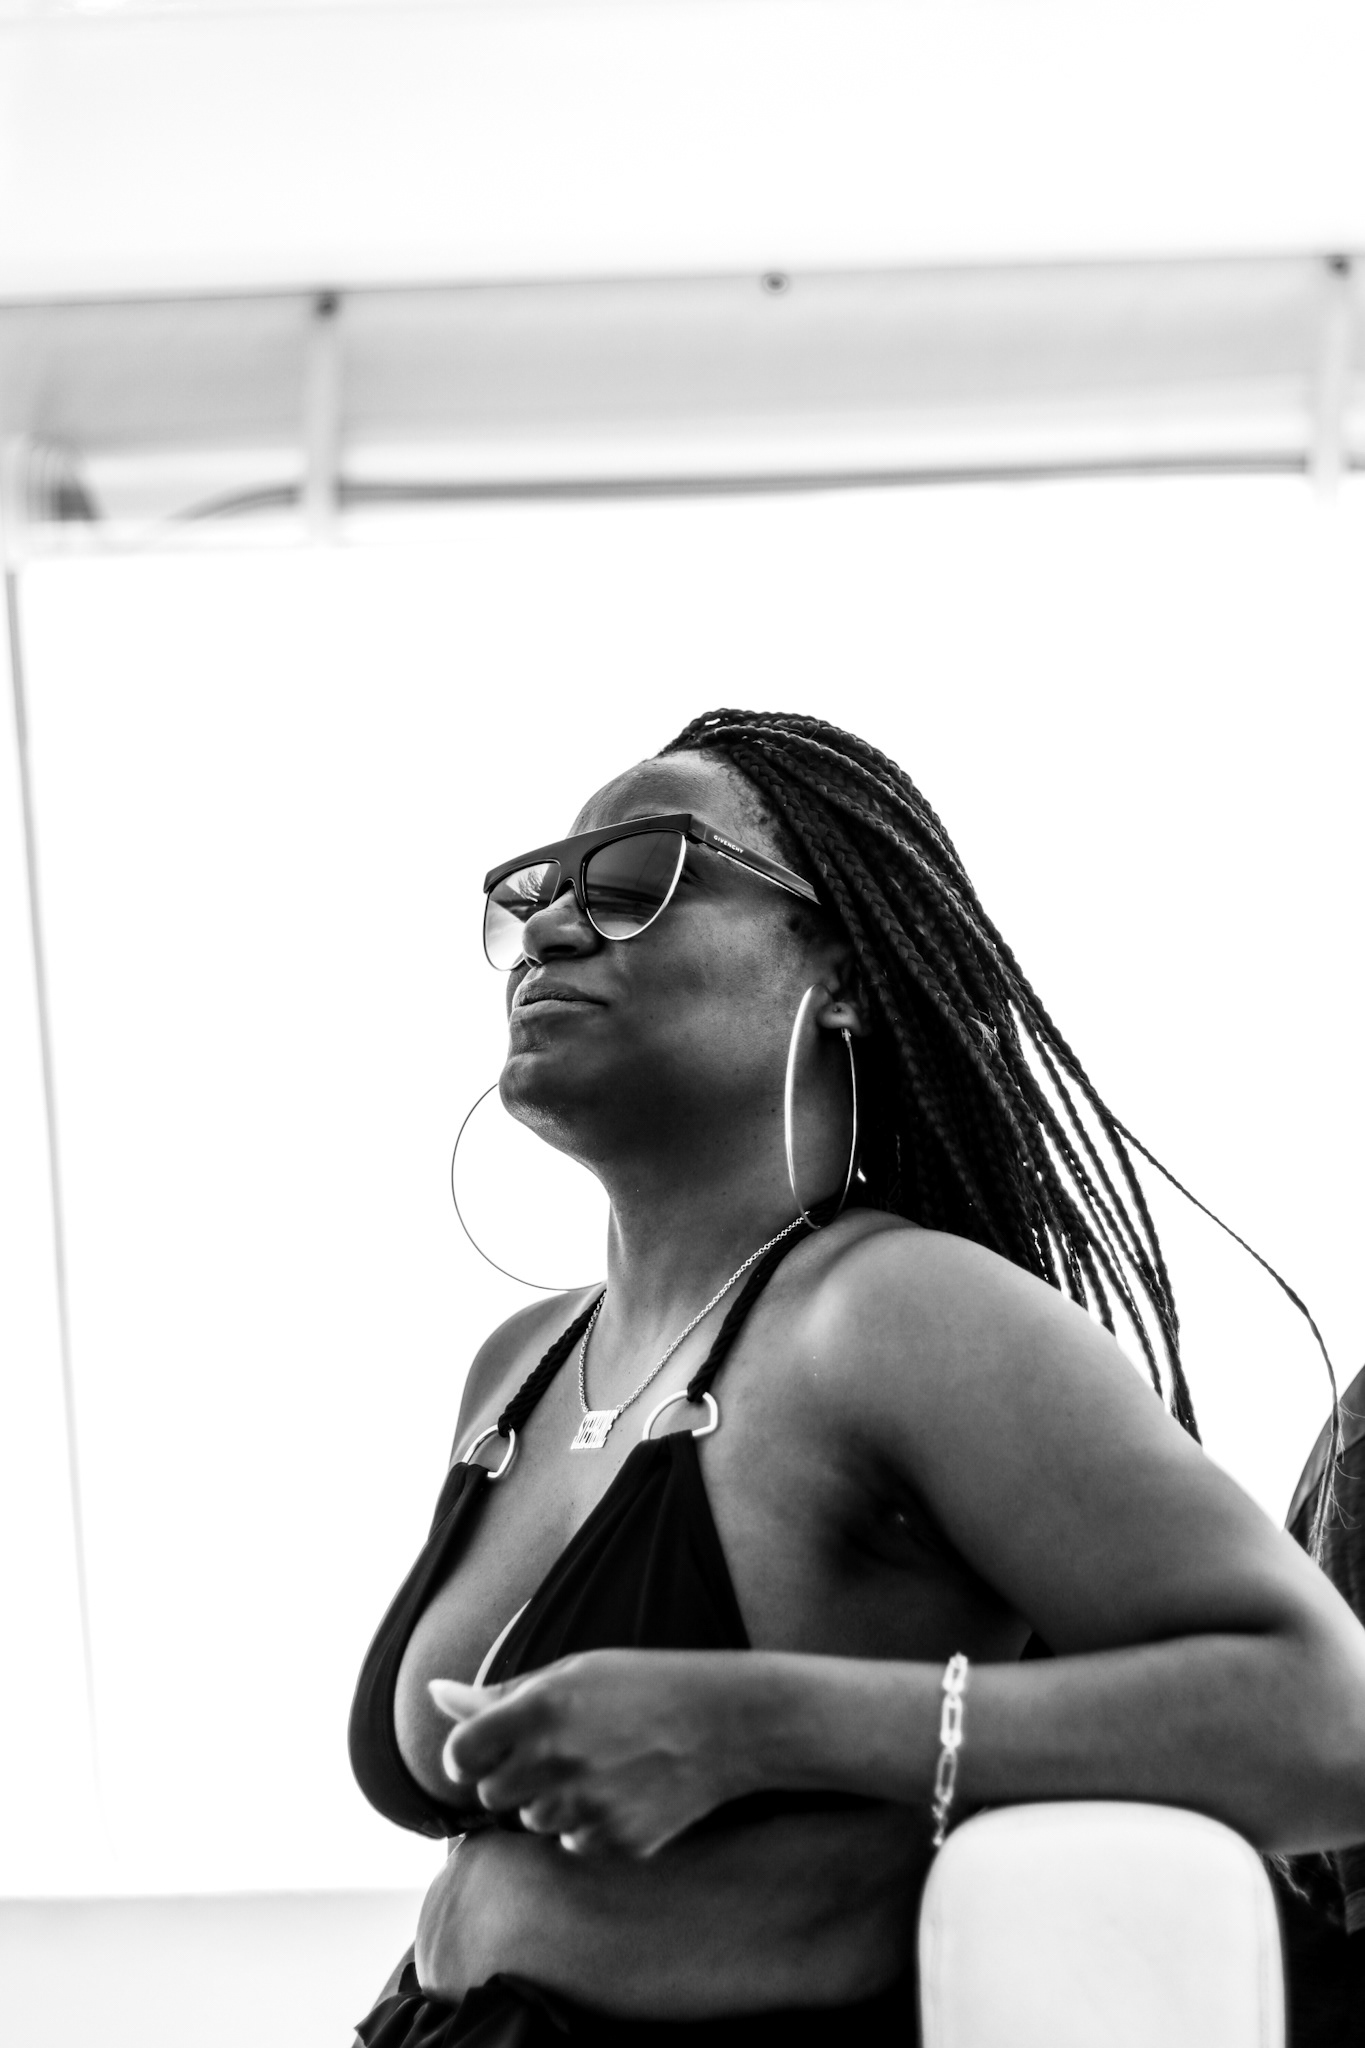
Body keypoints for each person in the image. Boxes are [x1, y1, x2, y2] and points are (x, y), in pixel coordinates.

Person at [348, 708, 1365, 2046]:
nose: (549, 927)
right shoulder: (519, 1364)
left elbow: (1330, 1725)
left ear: (843, 976)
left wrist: (758, 1725)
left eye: (638, 876)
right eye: (534, 891)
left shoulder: (903, 1315)